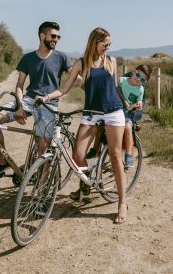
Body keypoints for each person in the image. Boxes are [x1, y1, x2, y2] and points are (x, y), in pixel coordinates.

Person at [37, 27, 128, 224]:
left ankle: (122, 203)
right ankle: (87, 183)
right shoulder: (81, 63)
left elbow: (113, 88)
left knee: (114, 156)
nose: (108, 47)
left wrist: (126, 108)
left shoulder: (111, 61)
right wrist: (46, 96)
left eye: (109, 44)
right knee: (78, 155)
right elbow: (64, 88)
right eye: (105, 44)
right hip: (91, 113)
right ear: (94, 42)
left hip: (113, 112)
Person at [0, 21, 73, 178]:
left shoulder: (61, 57)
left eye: (58, 37)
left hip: (49, 105)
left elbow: (77, 78)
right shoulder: (28, 58)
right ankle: (3, 161)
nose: (56, 39)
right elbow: (19, 85)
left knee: (43, 150)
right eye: (53, 36)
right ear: (42, 36)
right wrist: (19, 106)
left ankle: (41, 193)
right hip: (28, 100)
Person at [117, 64, 152, 168]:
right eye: (138, 75)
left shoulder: (140, 90)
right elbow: (114, 90)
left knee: (127, 127)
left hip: (128, 113)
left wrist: (138, 105)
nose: (139, 79)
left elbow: (139, 102)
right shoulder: (122, 80)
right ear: (133, 72)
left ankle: (128, 154)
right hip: (116, 109)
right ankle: (97, 149)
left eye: (142, 80)